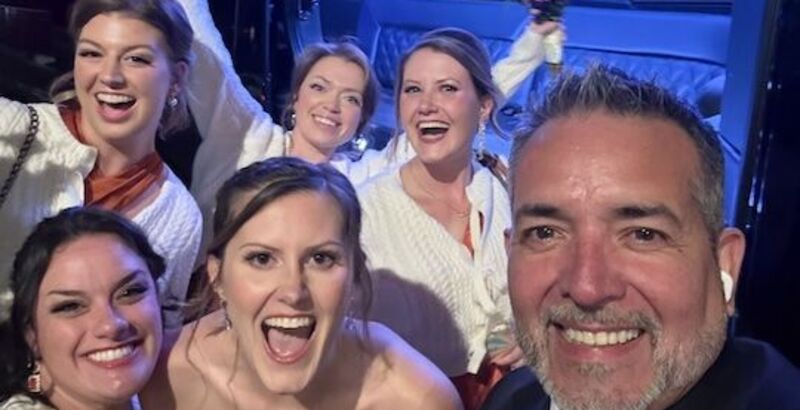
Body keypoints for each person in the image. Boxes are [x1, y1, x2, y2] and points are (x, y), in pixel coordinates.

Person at [451, 66, 800, 410]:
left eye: (642, 234)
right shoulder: (510, 407)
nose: (588, 286)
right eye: (546, 233)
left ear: (725, 267)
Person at [142, 157, 465, 410]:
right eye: (262, 258)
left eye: (321, 258)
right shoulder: (172, 376)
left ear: (354, 276)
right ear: (218, 277)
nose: (293, 291)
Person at [174, 0, 559, 250]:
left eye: (351, 98)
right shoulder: (247, 136)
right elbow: (207, 51)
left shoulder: (365, 177)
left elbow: (459, 109)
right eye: (319, 87)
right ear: (296, 98)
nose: (332, 105)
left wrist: (533, 42)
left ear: (361, 119)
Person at [358, 28, 524, 410]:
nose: (426, 105)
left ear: (484, 107)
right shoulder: (364, 210)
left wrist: (529, 333)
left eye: (447, 89)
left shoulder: (508, 191)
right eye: (413, 90)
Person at [0, 0, 202, 313]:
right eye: (92, 53)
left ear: (176, 78)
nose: (110, 76)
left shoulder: (179, 217)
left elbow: (154, 332)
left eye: (136, 58)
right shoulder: (12, 128)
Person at [0, 207, 171, 410]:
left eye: (130, 292)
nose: (111, 325)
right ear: (31, 334)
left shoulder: (157, 401)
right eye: (70, 306)